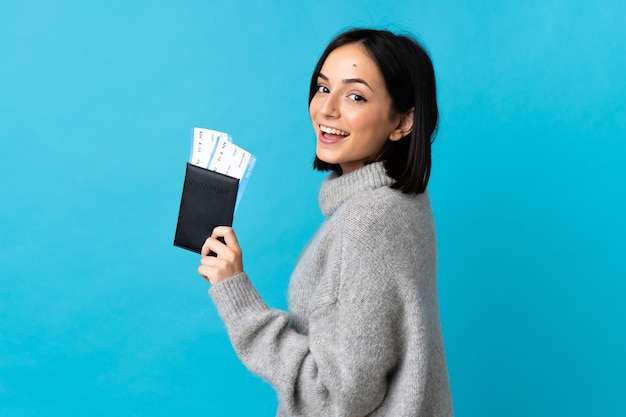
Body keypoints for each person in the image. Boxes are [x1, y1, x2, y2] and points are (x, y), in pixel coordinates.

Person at [198, 28, 453, 417]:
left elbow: (334, 398)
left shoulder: (369, 221)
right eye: (322, 88)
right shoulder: (405, 202)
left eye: (355, 95)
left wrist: (237, 297)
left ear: (403, 121)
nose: (327, 109)